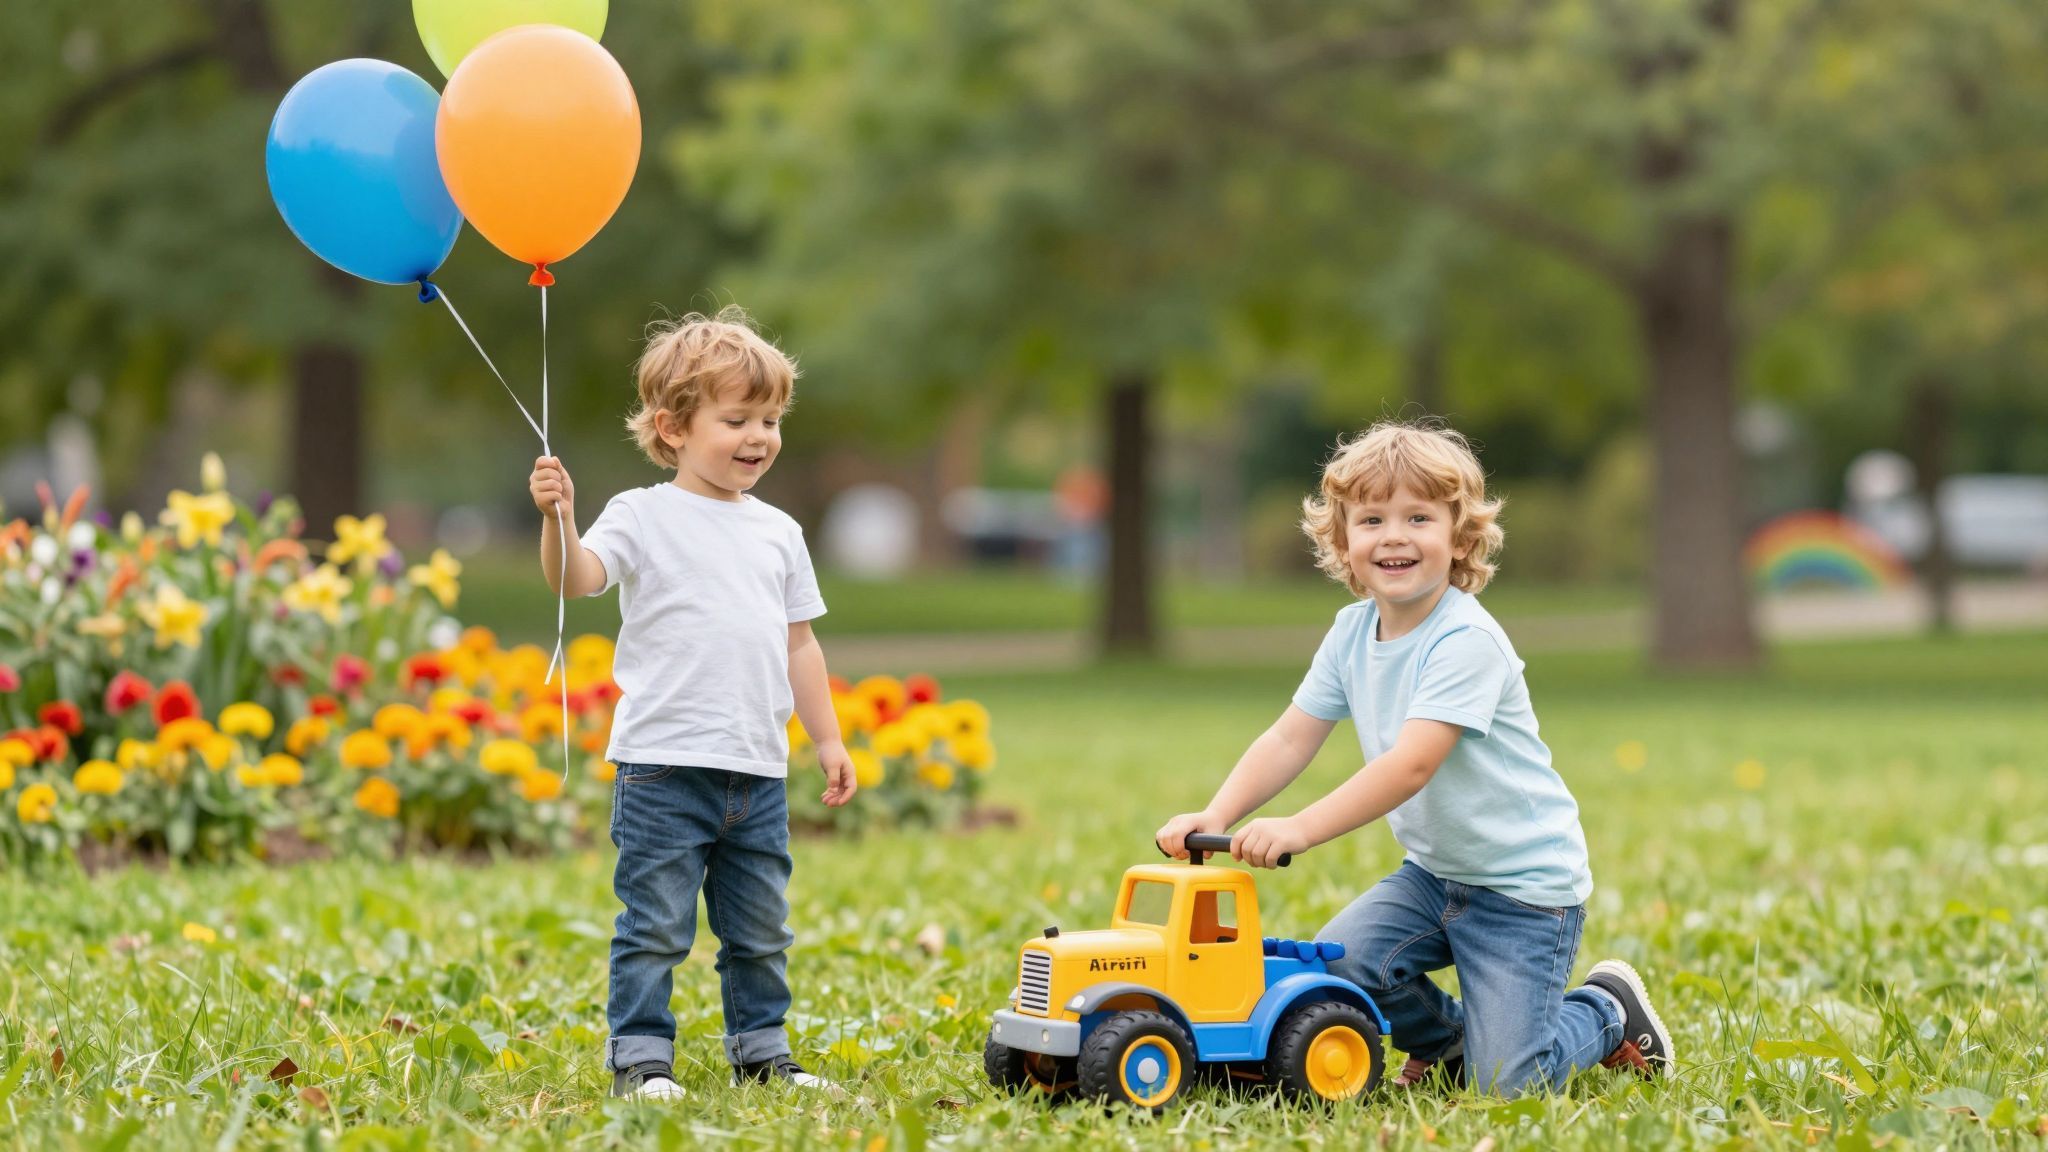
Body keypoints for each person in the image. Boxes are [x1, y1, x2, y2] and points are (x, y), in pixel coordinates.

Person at [1155, 419, 1671, 1096]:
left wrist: (1299, 827)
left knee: (1510, 1086)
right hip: (1433, 877)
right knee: (1339, 969)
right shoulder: (1350, 633)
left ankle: (1605, 1009)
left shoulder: (1466, 640)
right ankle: (1448, 1043)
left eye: (1418, 518)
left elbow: (1411, 766)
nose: (1393, 536)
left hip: (1523, 892)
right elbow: (1289, 738)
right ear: (1343, 541)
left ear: (1460, 538)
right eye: (1371, 519)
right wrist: (1217, 814)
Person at [528, 307, 856, 1100]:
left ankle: (763, 1054)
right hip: (663, 771)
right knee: (654, 927)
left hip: (756, 772)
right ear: (673, 428)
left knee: (761, 930)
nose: (759, 437)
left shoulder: (779, 531)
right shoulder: (642, 514)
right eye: (737, 419)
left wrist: (828, 739)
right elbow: (575, 578)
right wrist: (558, 520)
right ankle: (641, 1059)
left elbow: (800, 645)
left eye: (770, 420)